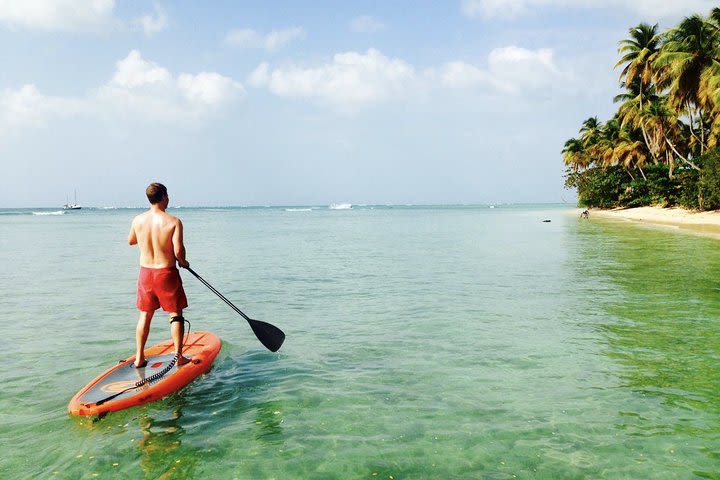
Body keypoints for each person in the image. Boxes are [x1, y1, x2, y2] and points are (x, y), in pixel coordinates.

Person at [128, 183, 191, 368]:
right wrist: (183, 261)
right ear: (163, 196)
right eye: (167, 195)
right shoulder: (173, 221)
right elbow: (178, 250)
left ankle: (139, 358)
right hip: (166, 273)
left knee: (145, 316)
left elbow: (131, 240)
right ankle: (178, 356)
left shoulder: (138, 220)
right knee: (176, 314)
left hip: (145, 273)